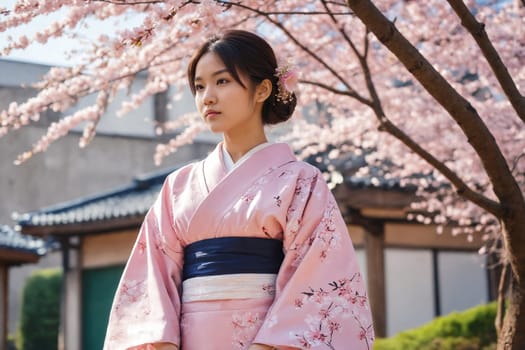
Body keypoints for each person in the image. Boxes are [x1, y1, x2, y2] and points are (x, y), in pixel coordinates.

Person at [103, 29, 374, 350]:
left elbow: (318, 275)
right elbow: (152, 278)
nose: (207, 97)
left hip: (267, 341)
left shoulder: (302, 181)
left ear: (262, 90)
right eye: (199, 86)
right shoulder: (179, 186)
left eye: (222, 81)